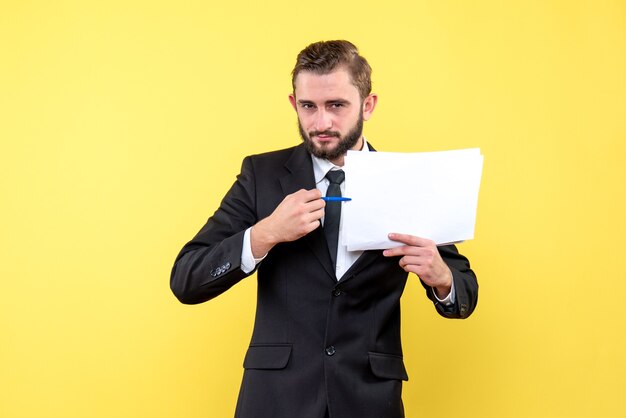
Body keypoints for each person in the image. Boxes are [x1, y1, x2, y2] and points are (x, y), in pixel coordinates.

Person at [170, 40, 478, 418]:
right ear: (293, 103)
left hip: (368, 400)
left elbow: (464, 293)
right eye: (308, 106)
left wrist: (442, 277)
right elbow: (187, 279)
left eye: (336, 105)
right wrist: (266, 233)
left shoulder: (406, 181)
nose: (321, 123)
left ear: (368, 105)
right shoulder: (260, 176)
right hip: (276, 400)